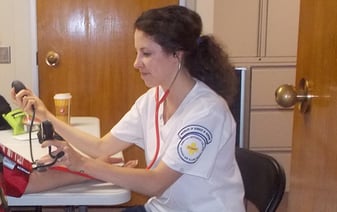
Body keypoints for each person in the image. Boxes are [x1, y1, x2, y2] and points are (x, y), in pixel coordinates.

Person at [11, 5, 245, 212]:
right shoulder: (152, 99)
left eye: (146, 53)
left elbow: (156, 183)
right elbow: (102, 146)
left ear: (177, 55)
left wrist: (82, 164)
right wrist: (45, 115)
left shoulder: (206, 112)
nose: (136, 63)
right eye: (137, 53)